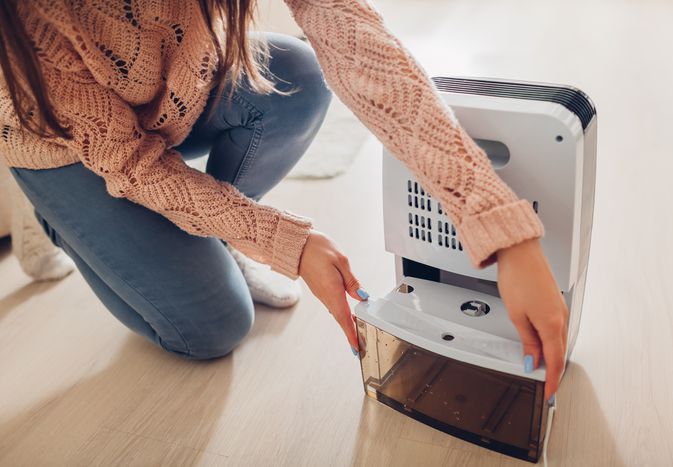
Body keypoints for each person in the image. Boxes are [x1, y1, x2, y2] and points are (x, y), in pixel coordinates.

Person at [0, 0, 567, 401]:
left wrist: (495, 222)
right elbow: (133, 166)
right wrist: (282, 241)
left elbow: (355, 41)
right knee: (212, 329)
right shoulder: (34, 18)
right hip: (65, 142)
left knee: (299, 73)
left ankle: (215, 229)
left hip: (174, 88)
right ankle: (56, 218)